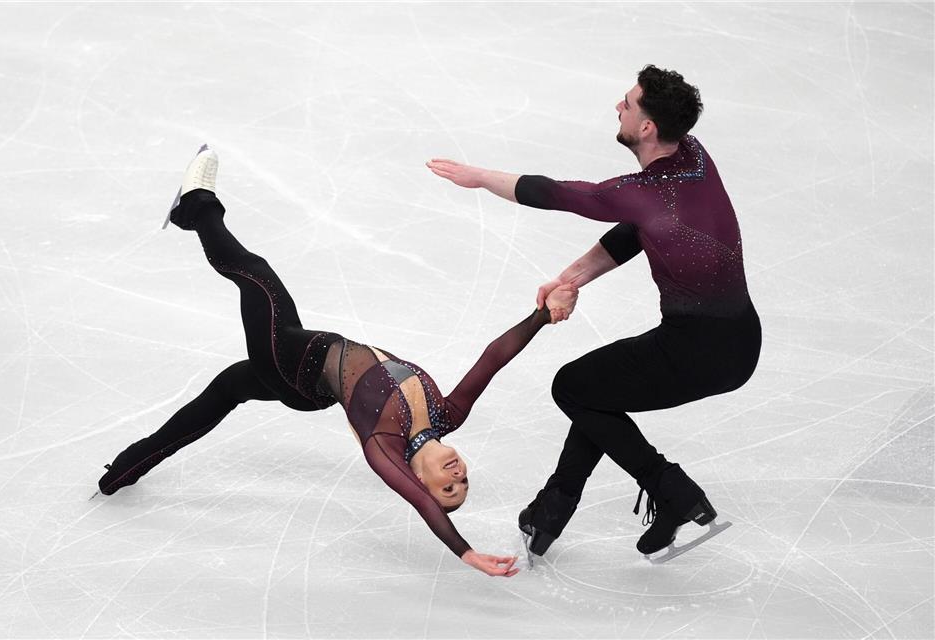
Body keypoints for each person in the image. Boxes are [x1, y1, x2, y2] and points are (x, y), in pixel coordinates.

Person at [96, 146, 578, 577]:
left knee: (255, 275)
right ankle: (121, 472)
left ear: (421, 481)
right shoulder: (446, 416)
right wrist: (542, 316)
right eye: (465, 480)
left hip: (288, 360)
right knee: (222, 394)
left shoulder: (385, 445)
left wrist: (465, 552)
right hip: (303, 381)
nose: (457, 475)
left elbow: (420, 504)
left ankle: (197, 207)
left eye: (450, 489)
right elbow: (493, 359)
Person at [426, 65, 762, 562]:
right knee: (595, 392)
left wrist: (479, 178)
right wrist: (572, 278)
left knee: (573, 387)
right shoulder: (692, 155)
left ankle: (673, 490)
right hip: (741, 340)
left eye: (628, 103)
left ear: (647, 127)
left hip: (696, 350)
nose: (618, 107)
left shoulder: (645, 194)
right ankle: (549, 514)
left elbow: (557, 193)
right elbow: (640, 228)